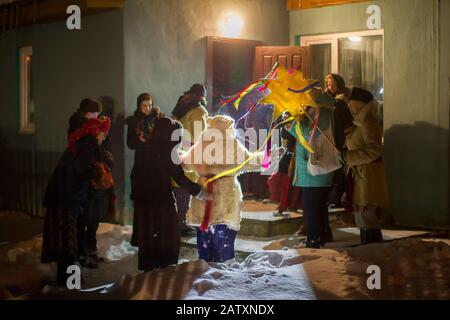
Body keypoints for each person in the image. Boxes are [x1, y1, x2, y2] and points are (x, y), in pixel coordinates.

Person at [183, 115, 281, 263]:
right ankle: (225, 273)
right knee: (223, 242)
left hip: (204, 196)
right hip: (226, 197)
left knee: (205, 243)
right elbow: (250, 161)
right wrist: (270, 156)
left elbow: (185, 162)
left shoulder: (202, 144)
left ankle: (205, 273)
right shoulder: (231, 144)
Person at [130, 117, 207, 271]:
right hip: (161, 197)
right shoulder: (168, 151)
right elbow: (178, 177)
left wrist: (135, 195)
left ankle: (148, 268)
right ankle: (166, 267)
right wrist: (198, 191)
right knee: (168, 233)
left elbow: (134, 174)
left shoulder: (144, 148)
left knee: (149, 232)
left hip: (143, 199)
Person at [41, 117, 112, 285]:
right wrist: (96, 173)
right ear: (95, 133)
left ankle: (65, 277)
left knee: (64, 238)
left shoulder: (83, 145)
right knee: (66, 239)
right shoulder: (87, 148)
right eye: (103, 134)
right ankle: (67, 280)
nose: (104, 137)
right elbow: (81, 171)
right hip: (65, 199)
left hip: (63, 197)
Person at [288, 92, 335, 248]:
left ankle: (313, 238)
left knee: (311, 206)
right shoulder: (322, 110)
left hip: (313, 171)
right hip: (314, 169)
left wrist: (294, 125)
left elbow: (309, 135)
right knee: (319, 205)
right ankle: (322, 234)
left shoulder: (321, 112)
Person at [343, 87, 389, 244]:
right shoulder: (358, 124)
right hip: (359, 175)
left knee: (367, 215)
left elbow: (374, 150)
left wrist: (348, 156)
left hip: (367, 176)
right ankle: (368, 248)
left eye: (351, 104)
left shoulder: (368, 123)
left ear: (361, 104)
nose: (349, 107)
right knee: (361, 216)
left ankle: (373, 249)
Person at [171, 84, 209, 236]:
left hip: (176, 151)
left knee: (176, 187)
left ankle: (176, 222)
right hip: (190, 152)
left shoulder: (180, 106)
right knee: (185, 188)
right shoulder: (199, 111)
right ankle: (181, 224)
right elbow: (201, 135)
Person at [126, 93, 163, 246]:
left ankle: (154, 235)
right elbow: (130, 144)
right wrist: (139, 141)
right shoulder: (134, 121)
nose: (147, 108)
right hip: (142, 166)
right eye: (144, 105)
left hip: (156, 166)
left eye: (149, 105)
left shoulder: (159, 119)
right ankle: (140, 237)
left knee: (155, 202)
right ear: (139, 106)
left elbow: (162, 141)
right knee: (141, 203)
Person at [323, 74, 353, 208]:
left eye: (332, 84)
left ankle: (336, 198)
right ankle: (331, 197)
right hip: (330, 140)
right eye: (328, 84)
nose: (330, 87)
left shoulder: (341, 102)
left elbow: (346, 123)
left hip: (339, 141)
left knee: (338, 170)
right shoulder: (328, 100)